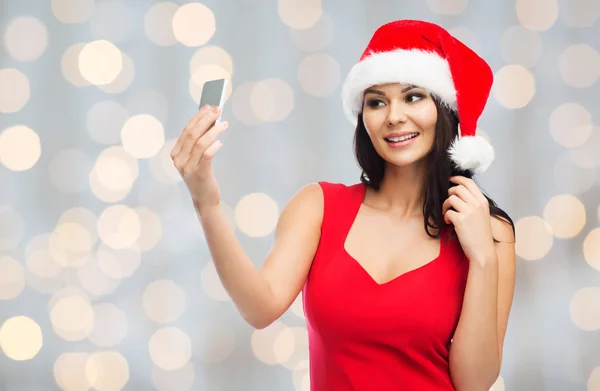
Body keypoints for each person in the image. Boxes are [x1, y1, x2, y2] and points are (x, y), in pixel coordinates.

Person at [170, 19, 517, 391]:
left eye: (413, 96)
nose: (394, 116)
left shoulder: (489, 232)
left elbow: (475, 382)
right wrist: (206, 202)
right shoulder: (318, 207)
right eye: (376, 102)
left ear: (446, 109)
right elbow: (260, 307)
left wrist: (482, 258)